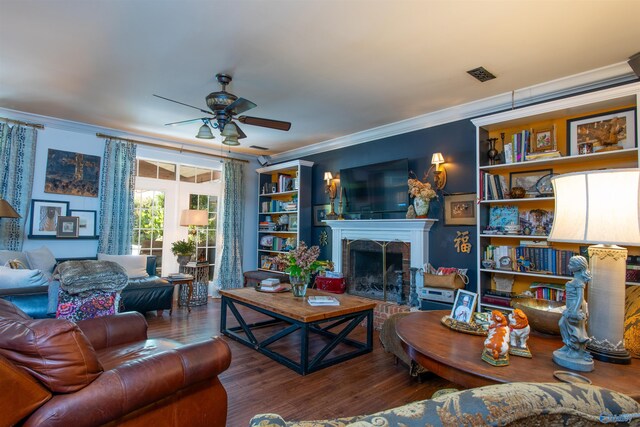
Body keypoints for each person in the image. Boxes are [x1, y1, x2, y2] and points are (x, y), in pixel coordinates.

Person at [556, 256, 593, 362]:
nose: (568, 266)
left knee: (575, 329)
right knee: (562, 324)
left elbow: (580, 298)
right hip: (570, 307)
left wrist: (575, 310)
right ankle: (567, 344)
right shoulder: (576, 280)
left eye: (571, 264)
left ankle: (575, 349)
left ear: (578, 267)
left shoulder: (578, 282)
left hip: (575, 307)